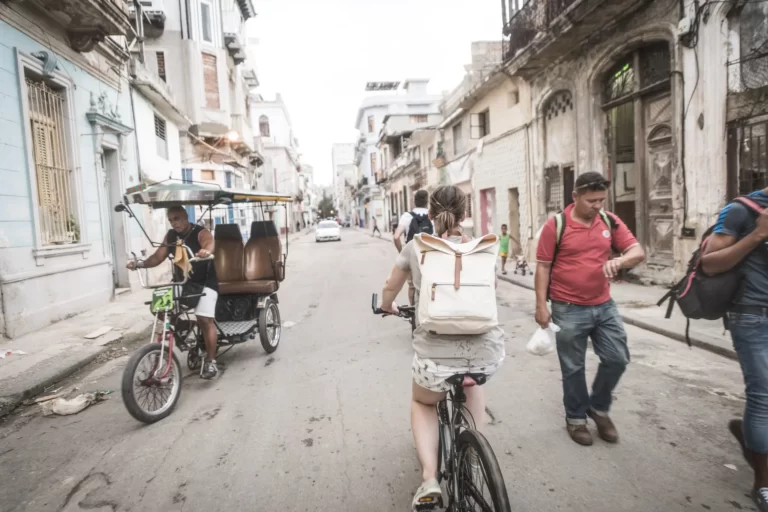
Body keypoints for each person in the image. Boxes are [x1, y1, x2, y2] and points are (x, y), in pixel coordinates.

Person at [379, 185, 505, 509]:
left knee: (423, 402)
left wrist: (387, 305)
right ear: (465, 215)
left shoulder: (416, 246)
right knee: (472, 382)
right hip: (483, 351)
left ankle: (430, 478)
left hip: (435, 354)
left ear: (430, 215)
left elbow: (390, 288)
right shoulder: (482, 248)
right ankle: (474, 454)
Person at [535, 172, 645, 446]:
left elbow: (637, 252)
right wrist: (540, 305)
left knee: (617, 358)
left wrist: (620, 261)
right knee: (573, 367)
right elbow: (543, 266)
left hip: (604, 306)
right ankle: (575, 418)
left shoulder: (609, 221)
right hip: (567, 307)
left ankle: (598, 407)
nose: (597, 205)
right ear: (576, 197)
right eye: (591, 200)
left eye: (601, 200)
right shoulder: (556, 225)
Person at [701, 187, 768, 511]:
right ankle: (763, 483)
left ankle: (750, 438)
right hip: (753, 316)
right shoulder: (742, 210)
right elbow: (710, 264)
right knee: (763, 394)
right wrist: (758, 235)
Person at [126, 206, 221, 379]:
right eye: (171, 220)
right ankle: (184, 326)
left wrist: (205, 250)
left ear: (186, 216)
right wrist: (139, 264)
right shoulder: (171, 236)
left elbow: (209, 243)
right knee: (158, 308)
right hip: (182, 282)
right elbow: (158, 257)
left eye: (177, 218)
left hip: (205, 282)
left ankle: (211, 361)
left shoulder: (200, 232)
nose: (174, 223)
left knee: (205, 319)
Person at [394, 190, 433, 305]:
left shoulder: (407, 216)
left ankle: (413, 312)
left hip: (412, 255)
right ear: (427, 201)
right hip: (429, 255)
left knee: (412, 286)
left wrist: (402, 252)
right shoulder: (433, 216)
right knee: (430, 283)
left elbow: (396, 237)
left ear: (414, 202)